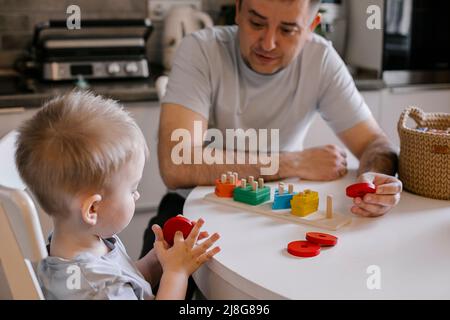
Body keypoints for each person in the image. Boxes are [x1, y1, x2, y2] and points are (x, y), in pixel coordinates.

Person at [141, 0, 402, 254]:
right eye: (256, 23)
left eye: (287, 30)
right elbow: (176, 164)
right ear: (238, 11)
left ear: (312, 26)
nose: (268, 43)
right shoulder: (201, 49)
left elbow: (376, 145)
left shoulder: (321, 59)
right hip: (189, 208)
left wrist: (373, 184)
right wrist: (292, 163)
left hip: (277, 212)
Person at [15, 91, 220, 300]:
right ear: (93, 209)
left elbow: (131, 282)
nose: (137, 195)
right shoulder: (101, 290)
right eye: (132, 190)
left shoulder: (76, 244)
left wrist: (158, 260)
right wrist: (177, 273)